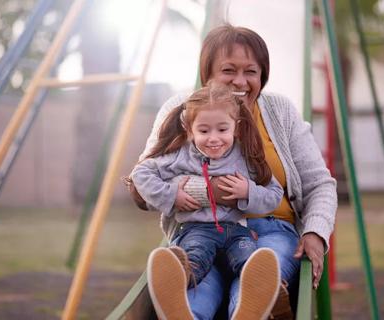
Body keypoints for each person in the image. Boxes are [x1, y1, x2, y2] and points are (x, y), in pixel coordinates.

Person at [130, 24, 337, 319]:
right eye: (229, 70)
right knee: (200, 284)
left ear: (262, 74)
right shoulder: (182, 110)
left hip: (272, 230)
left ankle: (248, 312)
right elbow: (142, 182)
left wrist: (316, 231)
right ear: (208, 74)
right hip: (202, 228)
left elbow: (319, 183)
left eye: (251, 71)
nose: (240, 81)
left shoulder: (281, 111)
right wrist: (186, 192)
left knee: (259, 272)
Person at [131, 82, 285, 319]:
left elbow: (274, 193)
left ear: (236, 127)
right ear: (190, 130)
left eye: (222, 130)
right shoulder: (179, 156)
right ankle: (175, 286)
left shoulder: (246, 158)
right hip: (197, 230)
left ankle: (266, 298)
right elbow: (141, 173)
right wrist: (171, 196)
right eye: (204, 131)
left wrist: (248, 192)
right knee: (194, 260)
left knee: (250, 261)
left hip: (236, 231)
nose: (213, 138)